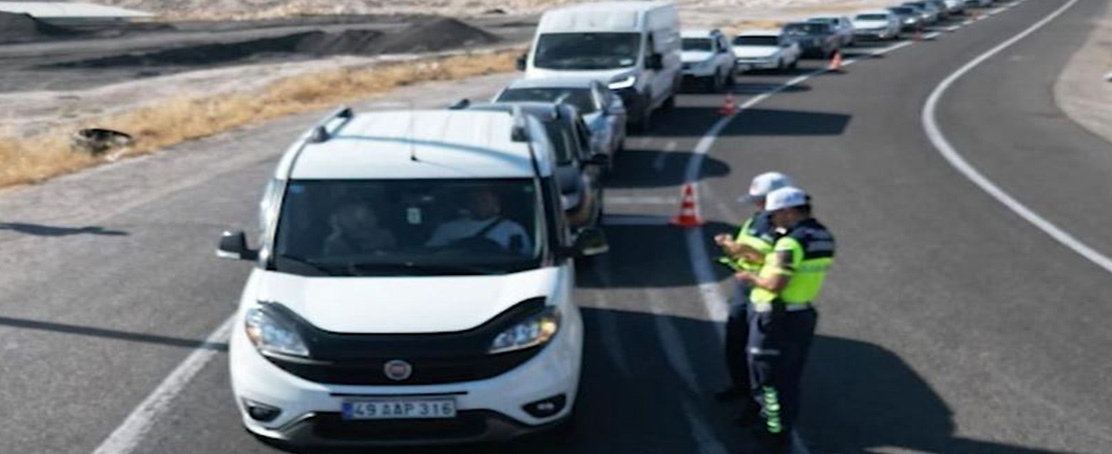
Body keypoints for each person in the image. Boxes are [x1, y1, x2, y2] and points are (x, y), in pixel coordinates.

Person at [734, 186, 835, 454]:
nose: (770, 221)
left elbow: (776, 282)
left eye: (773, 215)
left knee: (767, 377)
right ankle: (780, 426)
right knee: (789, 377)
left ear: (788, 212)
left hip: (775, 318)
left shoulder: (790, 242)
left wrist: (750, 277)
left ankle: (774, 430)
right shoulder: (823, 236)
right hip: (801, 314)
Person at [712, 172, 793, 427]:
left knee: (758, 355)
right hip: (745, 288)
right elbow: (748, 246)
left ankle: (758, 407)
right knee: (735, 340)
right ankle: (740, 386)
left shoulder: (787, 228)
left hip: (766, 294)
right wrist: (731, 246)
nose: (756, 204)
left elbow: (778, 263)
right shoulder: (757, 218)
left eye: (761, 199)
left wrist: (743, 251)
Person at [426, 187, 533, 255]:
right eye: (474, 201)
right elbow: (434, 252)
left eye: (484, 201)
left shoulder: (512, 229)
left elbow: (523, 254)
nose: (480, 204)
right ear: (468, 204)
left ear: (495, 203)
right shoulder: (448, 228)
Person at [321, 201, 397, 256]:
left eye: (372, 214)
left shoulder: (385, 235)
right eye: (369, 215)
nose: (375, 218)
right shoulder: (336, 242)